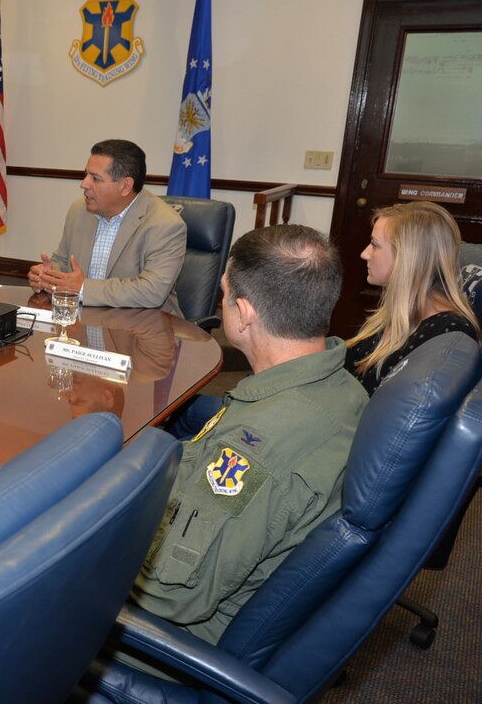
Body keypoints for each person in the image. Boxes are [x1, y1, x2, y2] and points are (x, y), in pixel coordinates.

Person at [129, 224, 368, 645]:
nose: (221, 304)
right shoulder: (341, 384)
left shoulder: (259, 448)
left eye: (223, 294)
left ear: (245, 312)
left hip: (169, 637)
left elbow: (167, 593)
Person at [27, 139, 186, 315]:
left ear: (125, 186)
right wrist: (47, 275)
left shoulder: (165, 225)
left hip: (143, 329)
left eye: (95, 178)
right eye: (86, 174)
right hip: (86, 323)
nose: (84, 184)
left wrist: (83, 289)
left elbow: (152, 291)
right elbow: (63, 262)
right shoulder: (79, 211)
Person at [346, 201, 479, 396]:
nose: (364, 254)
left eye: (375, 245)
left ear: (408, 258)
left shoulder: (447, 332)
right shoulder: (400, 311)